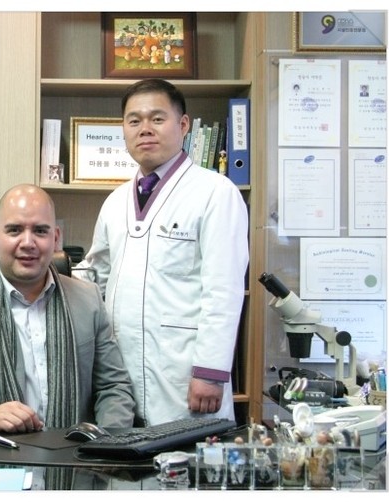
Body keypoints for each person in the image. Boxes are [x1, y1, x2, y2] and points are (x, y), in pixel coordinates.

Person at [74, 79, 249, 426]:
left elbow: (224, 290)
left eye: (157, 118)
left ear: (183, 125)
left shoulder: (216, 193)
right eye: (134, 120)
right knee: (126, 455)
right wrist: (46, 280)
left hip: (185, 373)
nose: (145, 129)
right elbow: (96, 275)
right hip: (121, 374)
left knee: (186, 455)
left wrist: (210, 371)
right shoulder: (115, 202)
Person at [0, 184, 136, 432]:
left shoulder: (88, 300)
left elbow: (114, 387)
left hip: (75, 451)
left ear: (56, 238)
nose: (27, 242)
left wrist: (106, 442)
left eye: (40, 231)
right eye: (14, 230)